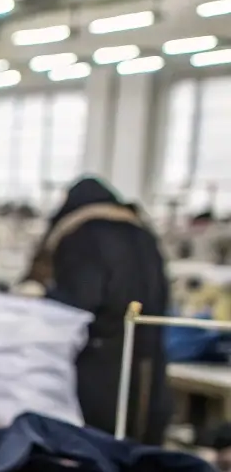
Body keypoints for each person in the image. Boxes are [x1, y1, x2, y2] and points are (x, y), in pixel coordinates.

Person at [25, 176, 171, 444]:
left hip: (100, 365)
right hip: (150, 361)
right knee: (141, 449)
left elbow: (75, 305)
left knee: (98, 451)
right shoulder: (143, 234)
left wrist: (37, 299)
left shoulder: (82, 236)